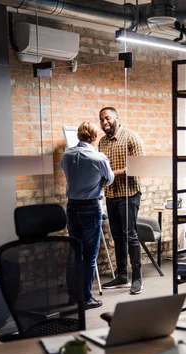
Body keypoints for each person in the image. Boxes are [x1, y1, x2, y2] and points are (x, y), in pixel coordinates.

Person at [61, 121, 123, 309]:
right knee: (89, 256)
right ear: (95, 137)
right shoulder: (98, 158)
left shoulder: (67, 155)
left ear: (79, 136)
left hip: (71, 207)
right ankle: (86, 298)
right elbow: (110, 178)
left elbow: (70, 175)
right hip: (90, 208)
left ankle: (73, 295)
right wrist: (101, 180)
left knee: (74, 253)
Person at [98, 106, 145, 295]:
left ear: (117, 117)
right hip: (111, 195)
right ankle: (122, 276)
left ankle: (138, 279)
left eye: (107, 118)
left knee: (131, 235)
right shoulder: (102, 142)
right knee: (117, 236)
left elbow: (138, 167)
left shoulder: (131, 137)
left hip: (129, 194)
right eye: (101, 120)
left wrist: (110, 175)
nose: (104, 123)